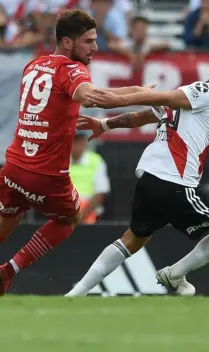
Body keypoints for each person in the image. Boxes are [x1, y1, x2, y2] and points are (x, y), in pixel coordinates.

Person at [66, 47, 209, 296]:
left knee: (133, 239)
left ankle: (76, 293)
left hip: (150, 181)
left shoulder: (189, 98)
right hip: (175, 185)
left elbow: (143, 117)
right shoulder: (208, 92)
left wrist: (105, 123)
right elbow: (156, 99)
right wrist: (119, 100)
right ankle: (175, 274)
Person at [0, 9, 152, 295]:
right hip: (47, 176)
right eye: (89, 41)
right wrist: (147, 97)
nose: (95, 47)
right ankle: (9, 270)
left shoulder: (34, 64)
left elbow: (87, 91)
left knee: (5, 225)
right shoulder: (72, 69)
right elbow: (93, 96)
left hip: (13, 167)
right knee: (70, 218)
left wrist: (136, 88)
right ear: (68, 43)